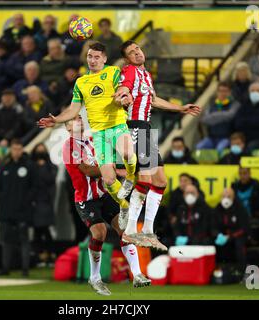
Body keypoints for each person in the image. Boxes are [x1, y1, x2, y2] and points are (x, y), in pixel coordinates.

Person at [38, 42, 139, 245]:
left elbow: (124, 87)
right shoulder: (81, 83)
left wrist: (124, 97)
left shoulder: (112, 72)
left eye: (96, 57)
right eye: (89, 57)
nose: (92, 60)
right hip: (99, 138)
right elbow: (74, 108)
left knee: (129, 156)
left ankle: (128, 180)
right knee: (109, 183)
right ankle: (125, 203)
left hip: (117, 124)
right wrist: (57, 119)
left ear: (104, 59)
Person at [114, 40, 200, 250]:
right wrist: (121, 97)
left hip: (145, 129)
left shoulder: (146, 75)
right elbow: (122, 90)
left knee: (160, 181)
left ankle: (148, 231)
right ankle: (130, 231)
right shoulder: (130, 71)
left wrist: (180, 108)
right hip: (133, 128)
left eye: (138, 49)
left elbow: (153, 101)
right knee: (144, 179)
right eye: (131, 52)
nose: (137, 53)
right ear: (127, 59)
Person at [62, 115, 151, 295]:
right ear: (68, 128)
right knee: (100, 232)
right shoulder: (68, 147)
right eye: (73, 119)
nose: (79, 119)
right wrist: (114, 169)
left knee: (124, 229)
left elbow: (112, 156)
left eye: (79, 117)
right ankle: (95, 277)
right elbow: (87, 170)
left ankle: (137, 273)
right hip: (86, 199)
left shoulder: (94, 140)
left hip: (105, 194)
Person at [0, 139, 35, 277]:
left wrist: (26, 203)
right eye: (14, 149)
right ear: (10, 150)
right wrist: (2, 200)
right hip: (7, 210)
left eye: (19, 149)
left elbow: (34, 187)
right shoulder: (4, 166)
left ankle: (25, 269)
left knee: (24, 239)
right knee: (6, 239)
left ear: (22, 150)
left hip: (23, 211)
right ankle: (5, 267)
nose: (16, 152)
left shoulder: (29, 165)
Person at [31, 143, 57, 267]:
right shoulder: (31, 166)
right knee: (38, 230)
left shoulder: (50, 167)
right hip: (34, 202)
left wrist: (42, 168)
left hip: (45, 202)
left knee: (44, 229)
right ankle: (41, 255)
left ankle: (48, 254)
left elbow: (50, 180)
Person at [212, 188, 249, 272]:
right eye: (224, 196)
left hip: (237, 236)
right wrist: (218, 234)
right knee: (209, 242)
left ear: (233, 197)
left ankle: (241, 271)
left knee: (239, 244)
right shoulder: (217, 209)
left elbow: (244, 228)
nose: (226, 199)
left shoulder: (240, 209)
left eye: (229, 196)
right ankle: (214, 270)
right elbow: (213, 226)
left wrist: (230, 236)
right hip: (221, 236)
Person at [197, 81, 240, 152]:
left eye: (225, 91)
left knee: (220, 149)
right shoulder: (211, 105)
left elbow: (230, 116)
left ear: (229, 92)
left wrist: (213, 116)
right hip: (211, 137)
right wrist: (223, 116)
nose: (222, 93)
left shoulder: (234, 104)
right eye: (220, 91)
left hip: (226, 138)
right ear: (217, 92)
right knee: (199, 147)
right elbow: (204, 119)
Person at [233, 82, 259, 152]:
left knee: (249, 148)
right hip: (243, 137)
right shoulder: (243, 106)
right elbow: (238, 123)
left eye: (258, 90)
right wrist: (254, 121)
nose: (255, 93)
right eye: (252, 91)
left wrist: (246, 121)